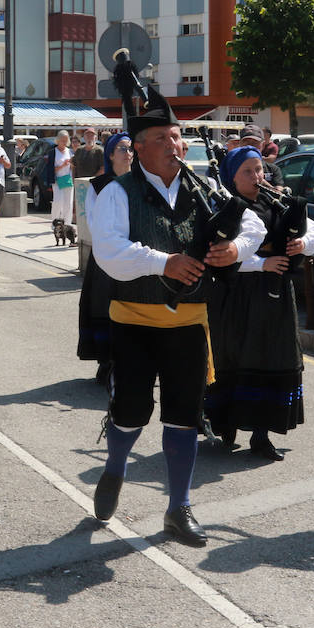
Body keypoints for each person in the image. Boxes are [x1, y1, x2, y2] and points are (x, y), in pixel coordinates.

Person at [90, 94, 266, 546]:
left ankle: (178, 507)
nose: (173, 145)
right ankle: (114, 468)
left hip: (189, 322)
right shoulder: (117, 192)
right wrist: (161, 262)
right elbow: (108, 253)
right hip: (134, 319)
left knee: (184, 416)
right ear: (139, 148)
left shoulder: (203, 188)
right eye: (162, 139)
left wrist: (235, 250)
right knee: (131, 412)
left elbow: (254, 227)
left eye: (176, 137)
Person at [205, 146, 314, 461]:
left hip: (275, 296)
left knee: (273, 357)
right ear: (231, 176)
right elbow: (218, 254)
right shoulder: (225, 206)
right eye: (248, 171)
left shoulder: (276, 202)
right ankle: (226, 426)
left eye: (260, 169)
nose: (258, 176)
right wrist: (261, 264)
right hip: (236, 294)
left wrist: (302, 243)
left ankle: (261, 435)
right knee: (234, 356)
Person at [77, 132, 132, 383]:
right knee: (105, 307)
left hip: (136, 258)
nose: (128, 154)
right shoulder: (99, 186)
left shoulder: (142, 184)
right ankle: (106, 361)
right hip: (107, 258)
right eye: (122, 149)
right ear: (110, 154)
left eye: (131, 149)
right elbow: (95, 224)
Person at [50, 131, 75, 225]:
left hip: (68, 179)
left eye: (65, 140)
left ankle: (67, 224)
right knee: (57, 202)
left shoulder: (69, 151)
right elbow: (51, 169)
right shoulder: (53, 152)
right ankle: (55, 223)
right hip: (57, 180)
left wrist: (71, 164)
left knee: (68, 203)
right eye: (62, 140)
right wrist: (63, 165)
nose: (64, 142)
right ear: (58, 140)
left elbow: (73, 166)